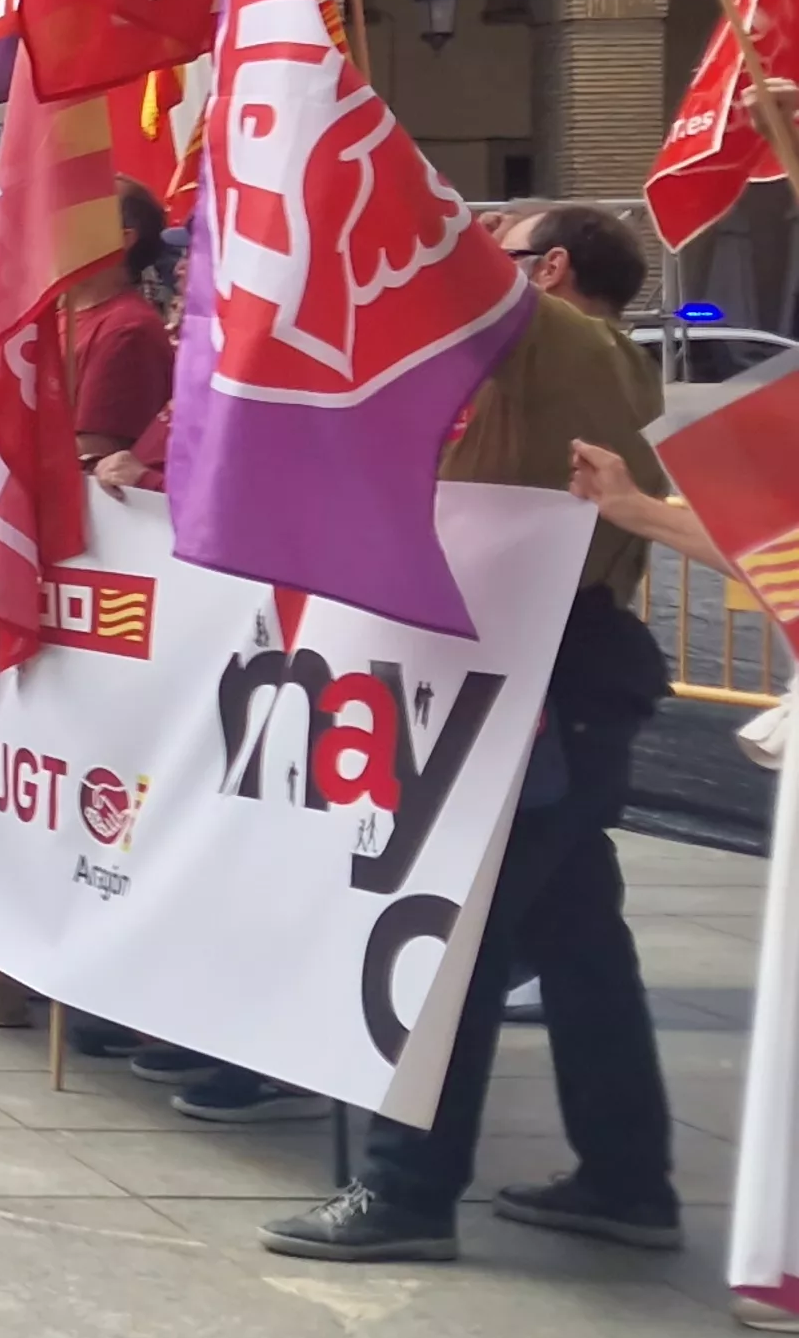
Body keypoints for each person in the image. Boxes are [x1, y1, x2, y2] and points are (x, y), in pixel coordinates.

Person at [264, 201, 683, 1265]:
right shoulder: (551, 363)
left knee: (453, 939)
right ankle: (627, 1179)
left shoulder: (575, 346)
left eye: (502, 251)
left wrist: (405, 208)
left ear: (545, 271)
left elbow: (448, 283)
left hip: (545, 686)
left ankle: (407, 1191)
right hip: (538, 681)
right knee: (582, 943)